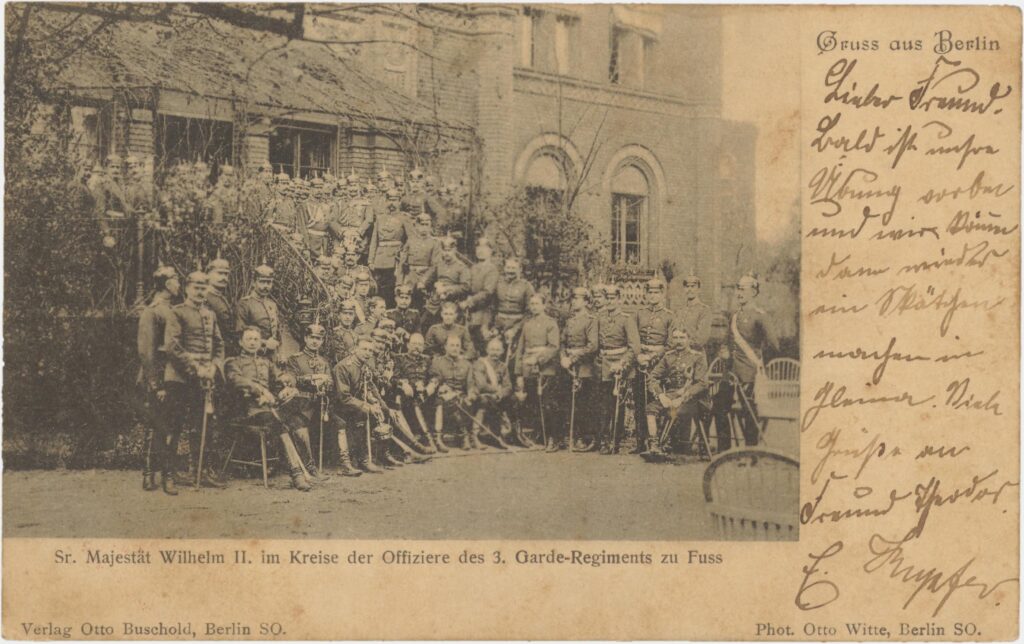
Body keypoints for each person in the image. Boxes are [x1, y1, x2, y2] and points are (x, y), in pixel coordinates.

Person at [225, 327, 312, 491]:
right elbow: (236, 380)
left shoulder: (265, 362)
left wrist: (287, 383)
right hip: (246, 411)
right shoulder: (233, 362)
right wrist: (260, 390)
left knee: (296, 421)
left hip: (269, 410)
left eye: (256, 339)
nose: (252, 343)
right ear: (240, 342)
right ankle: (296, 474)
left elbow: (280, 376)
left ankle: (308, 468)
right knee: (278, 424)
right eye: (249, 339)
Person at [163, 270, 226, 490]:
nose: (200, 292)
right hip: (180, 378)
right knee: (175, 425)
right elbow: (172, 346)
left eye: (203, 287)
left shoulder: (210, 314)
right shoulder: (177, 312)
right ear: (187, 288)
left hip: (205, 378)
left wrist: (214, 367)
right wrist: (196, 368)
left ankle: (199, 472)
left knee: (203, 426)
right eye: (196, 287)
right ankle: (168, 475)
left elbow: (219, 345)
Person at [283, 321, 361, 477]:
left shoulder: (324, 362)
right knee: (300, 427)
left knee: (340, 423)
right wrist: (312, 378)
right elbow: (291, 379)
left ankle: (345, 464)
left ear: (322, 341)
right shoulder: (295, 359)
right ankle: (310, 467)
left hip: (320, 406)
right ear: (305, 338)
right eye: (311, 337)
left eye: (318, 338)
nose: (314, 341)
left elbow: (331, 384)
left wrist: (326, 385)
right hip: (300, 406)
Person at [137, 264, 180, 492]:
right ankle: (150, 474)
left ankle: (166, 474)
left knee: (170, 426)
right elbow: (147, 352)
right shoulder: (152, 311)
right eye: (175, 279)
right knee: (156, 426)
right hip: (158, 378)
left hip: (172, 377)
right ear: (165, 283)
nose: (179, 284)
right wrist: (156, 384)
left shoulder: (171, 308)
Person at [725, 273, 778, 446]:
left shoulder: (760, 316)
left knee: (749, 413)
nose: (738, 293)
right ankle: (722, 450)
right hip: (731, 373)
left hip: (749, 373)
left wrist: (759, 364)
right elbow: (728, 343)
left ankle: (750, 450)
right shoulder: (734, 316)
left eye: (743, 289)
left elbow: (774, 345)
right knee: (718, 406)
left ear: (753, 292)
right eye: (737, 288)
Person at [645, 327, 710, 459]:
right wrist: (661, 395)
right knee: (650, 409)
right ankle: (655, 444)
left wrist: (683, 398)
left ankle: (667, 443)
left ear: (689, 339)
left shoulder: (697, 357)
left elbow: (702, 383)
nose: (678, 341)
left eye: (682, 338)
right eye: (675, 338)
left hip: (694, 400)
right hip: (671, 395)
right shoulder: (668, 356)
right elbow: (652, 377)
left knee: (675, 411)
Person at [595, 284, 641, 454]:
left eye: (613, 298)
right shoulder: (600, 317)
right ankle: (603, 440)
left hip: (620, 366)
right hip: (603, 365)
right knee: (603, 405)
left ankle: (615, 440)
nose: (610, 301)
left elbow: (634, 347)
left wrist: (622, 364)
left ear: (619, 299)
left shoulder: (626, 319)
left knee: (617, 405)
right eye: (607, 298)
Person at [633, 278, 674, 453]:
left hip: (659, 365)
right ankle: (640, 442)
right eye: (649, 292)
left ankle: (659, 441)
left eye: (656, 292)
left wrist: (654, 357)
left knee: (657, 402)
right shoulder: (638, 314)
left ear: (662, 294)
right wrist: (639, 355)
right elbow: (633, 338)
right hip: (641, 363)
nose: (652, 295)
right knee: (639, 402)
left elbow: (670, 344)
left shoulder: (669, 316)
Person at [515, 293, 562, 450]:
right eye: (532, 304)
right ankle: (541, 434)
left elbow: (554, 347)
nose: (533, 306)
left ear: (544, 305)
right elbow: (520, 349)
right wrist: (519, 373)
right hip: (528, 367)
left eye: (537, 304)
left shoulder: (550, 323)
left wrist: (538, 359)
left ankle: (553, 438)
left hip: (545, 368)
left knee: (548, 403)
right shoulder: (527, 324)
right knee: (534, 403)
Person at [333, 338, 386, 473]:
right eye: (364, 349)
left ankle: (363, 460)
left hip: (353, 406)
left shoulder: (364, 367)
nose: (367, 353)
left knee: (363, 415)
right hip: (336, 407)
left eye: (370, 350)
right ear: (355, 348)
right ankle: (345, 463)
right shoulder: (343, 366)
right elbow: (343, 397)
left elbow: (367, 388)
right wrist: (367, 406)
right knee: (359, 414)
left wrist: (374, 401)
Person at [559, 286, 599, 452]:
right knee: (569, 402)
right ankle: (572, 436)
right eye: (573, 298)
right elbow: (562, 342)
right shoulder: (570, 320)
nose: (574, 301)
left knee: (583, 404)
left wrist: (574, 357)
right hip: (568, 365)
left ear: (586, 301)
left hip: (584, 367)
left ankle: (584, 437)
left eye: (578, 298)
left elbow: (592, 346)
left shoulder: (590, 320)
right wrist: (563, 357)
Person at [429, 334, 478, 450]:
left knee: (465, 401)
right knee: (440, 401)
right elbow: (434, 379)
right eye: (452, 345)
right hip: (443, 396)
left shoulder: (466, 364)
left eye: (457, 345)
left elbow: (471, 384)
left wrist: (471, 394)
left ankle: (466, 436)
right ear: (445, 347)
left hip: (460, 396)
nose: (455, 348)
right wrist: (440, 387)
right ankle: (440, 438)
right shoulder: (438, 362)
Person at [393, 332, 440, 452]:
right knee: (414, 403)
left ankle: (437, 438)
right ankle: (427, 438)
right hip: (407, 394)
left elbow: (435, 376)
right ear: (408, 345)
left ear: (423, 347)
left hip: (424, 393)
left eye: (420, 344)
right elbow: (394, 377)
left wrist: (431, 385)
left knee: (439, 399)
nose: (416, 347)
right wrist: (403, 384)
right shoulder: (399, 358)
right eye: (414, 344)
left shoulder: (428, 359)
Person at [471, 337, 516, 448]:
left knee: (514, 399)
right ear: (487, 350)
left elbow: (508, 386)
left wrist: (500, 394)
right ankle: (487, 435)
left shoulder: (503, 366)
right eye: (492, 349)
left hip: (497, 396)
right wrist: (497, 391)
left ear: (502, 351)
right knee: (487, 401)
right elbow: (482, 385)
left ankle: (512, 433)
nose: (494, 353)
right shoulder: (480, 363)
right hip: (482, 395)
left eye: (497, 350)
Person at [367, 188, 408, 307]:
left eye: (395, 200)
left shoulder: (404, 218)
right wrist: (370, 260)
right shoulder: (380, 218)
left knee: (393, 290)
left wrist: (403, 257)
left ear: (399, 201)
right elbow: (374, 240)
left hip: (395, 260)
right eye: (389, 199)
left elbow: (408, 240)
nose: (392, 203)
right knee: (380, 290)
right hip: (380, 260)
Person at [461, 238, 499, 356]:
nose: (480, 251)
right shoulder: (474, 267)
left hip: (484, 312)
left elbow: (487, 292)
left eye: (484, 248)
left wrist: (471, 301)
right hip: (471, 312)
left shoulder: (492, 269)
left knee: (483, 344)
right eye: (478, 247)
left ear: (491, 251)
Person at [235, 264, 281, 361]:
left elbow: (277, 334)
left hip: (271, 358)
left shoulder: (272, 305)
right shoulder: (245, 304)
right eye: (262, 282)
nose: (265, 286)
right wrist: (264, 344)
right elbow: (240, 333)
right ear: (254, 282)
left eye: (269, 283)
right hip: (252, 357)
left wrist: (279, 353)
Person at [493, 257, 534, 362]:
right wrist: (495, 326)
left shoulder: (526, 286)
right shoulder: (498, 284)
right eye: (508, 267)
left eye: (513, 268)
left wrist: (515, 329)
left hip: (518, 326)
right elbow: (492, 307)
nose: (510, 270)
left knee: (513, 359)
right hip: (499, 327)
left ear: (520, 269)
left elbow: (530, 312)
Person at [422, 236, 469, 329]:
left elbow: (465, 287)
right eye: (444, 250)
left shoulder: (461, 267)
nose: (446, 253)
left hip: (452, 302)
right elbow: (429, 274)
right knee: (423, 323)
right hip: (436, 302)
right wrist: (422, 282)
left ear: (455, 250)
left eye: (449, 250)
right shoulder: (440, 264)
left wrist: (446, 289)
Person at [399, 213, 439, 308]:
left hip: (425, 277)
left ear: (430, 226)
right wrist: (399, 283)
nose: (424, 228)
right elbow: (402, 262)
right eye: (422, 224)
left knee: (422, 305)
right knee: (404, 301)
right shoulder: (410, 241)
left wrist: (423, 281)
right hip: (410, 276)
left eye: (427, 225)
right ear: (416, 226)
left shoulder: (434, 243)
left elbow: (434, 266)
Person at [205, 255, 234, 353]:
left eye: (226, 274)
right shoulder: (204, 298)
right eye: (220, 273)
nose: (224, 278)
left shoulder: (222, 297)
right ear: (208, 274)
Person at [677, 273, 713, 352]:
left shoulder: (704, 310)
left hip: (695, 353)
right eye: (687, 287)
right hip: (678, 352)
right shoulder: (679, 310)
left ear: (699, 289)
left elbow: (701, 338)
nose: (690, 289)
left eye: (693, 286)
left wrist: (684, 344)